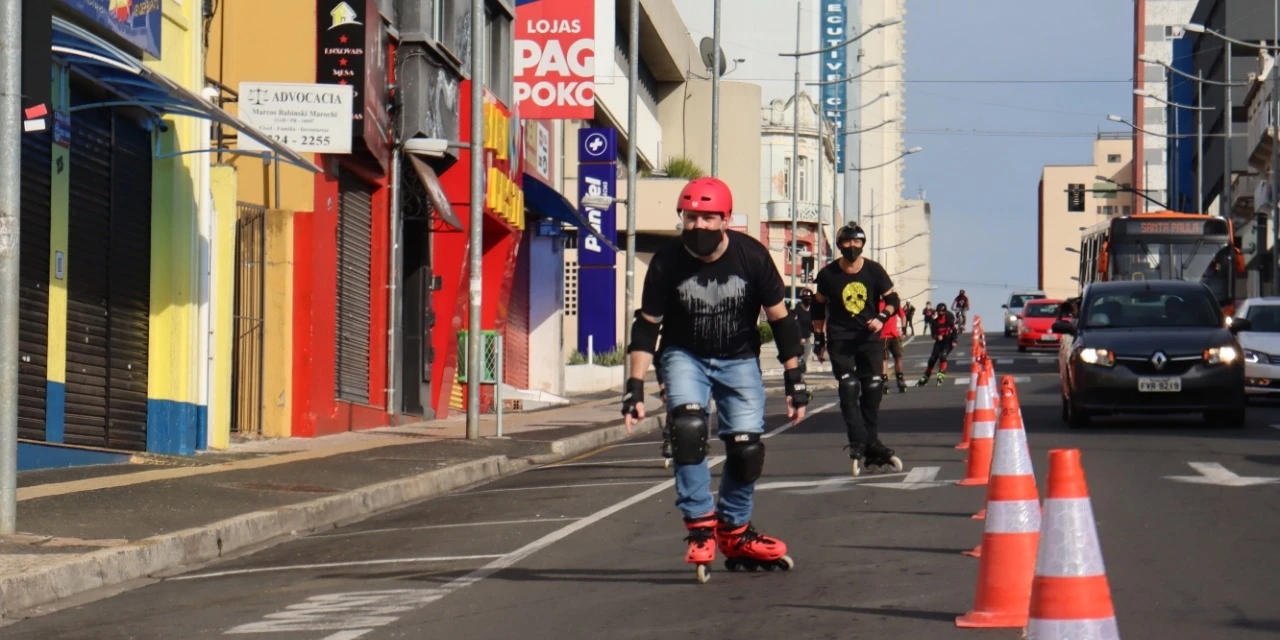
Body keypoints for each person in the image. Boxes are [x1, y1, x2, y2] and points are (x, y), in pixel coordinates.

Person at [621, 176, 808, 582]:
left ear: (725, 219)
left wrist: (795, 381)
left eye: (709, 218)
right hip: (683, 355)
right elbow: (646, 325)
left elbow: (781, 320)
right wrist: (634, 387)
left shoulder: (752, 257)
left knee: (746, 450)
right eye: (692, 217)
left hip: (739, 360)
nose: (700, 226)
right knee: (688, 429)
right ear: (681, 218)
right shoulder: (667, 262)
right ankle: (700, 528)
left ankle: (736, 532)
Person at [811, 223, 904, 477]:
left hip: (869, 337)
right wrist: (818, 340)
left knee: (873, 387)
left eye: (857, 242)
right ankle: (857, 441)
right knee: (848, 387)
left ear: (863, 244)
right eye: (847, 243)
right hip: (840, 338)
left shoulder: (874, 271)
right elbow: (817, 307)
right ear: (840, 245)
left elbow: (894, 300)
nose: (852, 247)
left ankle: (871, 441)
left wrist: (882, 317)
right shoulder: (828, 275)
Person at [919, 302, 958, 387]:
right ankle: (926, 375)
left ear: (945, 312)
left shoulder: (949, 319)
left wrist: (954, 340)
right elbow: (933, 334)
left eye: (942, 311)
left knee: (942, 356)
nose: (940, 313)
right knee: (932, 359)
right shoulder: (934, 322)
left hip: (948, 341)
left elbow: (954, 330)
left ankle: (941, 373)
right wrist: (937, 336)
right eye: (939, 311)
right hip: (939, 342)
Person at [880, 299, 908, 394]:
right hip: (882, 336)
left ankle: (900, 379)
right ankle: (884, 381)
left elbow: (903, 316)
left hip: (894, 335)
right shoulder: (876, 303)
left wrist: (903, 329)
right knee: (884, 359)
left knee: (898, 357)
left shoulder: (893, 302)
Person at [795, 288, 815, 372]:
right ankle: (795, 379)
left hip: (807, 340)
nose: (808, 301)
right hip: (797, 340)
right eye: (806, 299)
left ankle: (801, 378)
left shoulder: (811, 311)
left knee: (803, 363)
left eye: (809, 299)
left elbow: (812, 326)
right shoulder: (797, 310)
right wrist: (799, 337)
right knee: (798, 362)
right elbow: (794, 325)